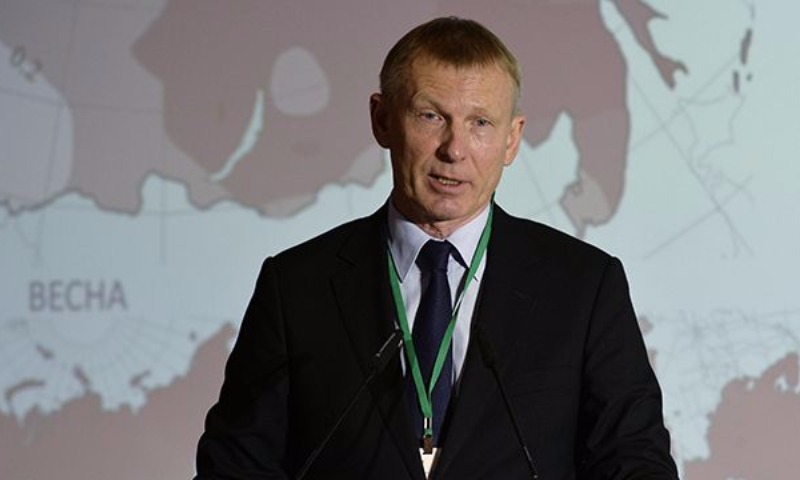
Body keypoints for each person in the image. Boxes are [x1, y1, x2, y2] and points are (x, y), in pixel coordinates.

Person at [194, 17, 678, 479]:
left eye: (480, 123)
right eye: (431, 116)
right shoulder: (296, 286)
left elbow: (634, 462)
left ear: (512, 140)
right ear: (382, 120)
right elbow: (235, 467)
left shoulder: (584, 287)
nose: (454, 149)